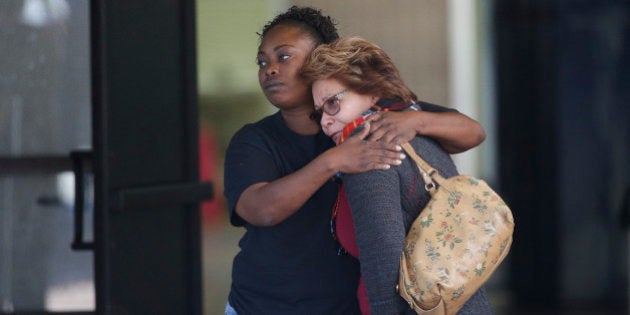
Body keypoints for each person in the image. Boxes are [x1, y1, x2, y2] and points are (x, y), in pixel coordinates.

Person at [223, 6, 486, 315]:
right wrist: (333, 161)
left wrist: (415, 121)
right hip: (266, 305)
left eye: (283, 56)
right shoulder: (254, 140)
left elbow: (473, 132)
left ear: (321, 58)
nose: (269, 69)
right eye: (262, 61)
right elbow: (259, 209)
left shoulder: (372, 116)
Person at [301, 36, 494, 314]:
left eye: (332, 103)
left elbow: (384, 267)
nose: (324, 121)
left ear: (373, 92)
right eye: (318, 113)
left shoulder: (370, 147)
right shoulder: (417, 130)